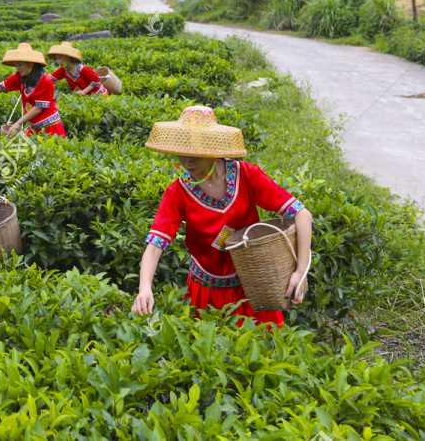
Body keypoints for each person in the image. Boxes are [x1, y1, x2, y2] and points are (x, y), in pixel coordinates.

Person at [131, 106, 312, 327]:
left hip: (254, 288)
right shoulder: (178, 192)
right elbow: (155, 245)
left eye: (196, 153)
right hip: (204, 292)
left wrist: (300, 272)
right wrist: (144, 288)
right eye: (182, 152)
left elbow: (302, 215)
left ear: (213, 149)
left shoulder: (246, 175)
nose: (188, 162)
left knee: (263, 352)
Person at [0, 43, 67, 138]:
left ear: (31, 64)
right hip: (34, 128)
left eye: (20, 65)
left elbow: (38, 108)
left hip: (51, 129)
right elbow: (4, 84)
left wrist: (19, 123)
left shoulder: (45, 81)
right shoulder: (21, 77)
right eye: (16, 65)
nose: (17, 68)